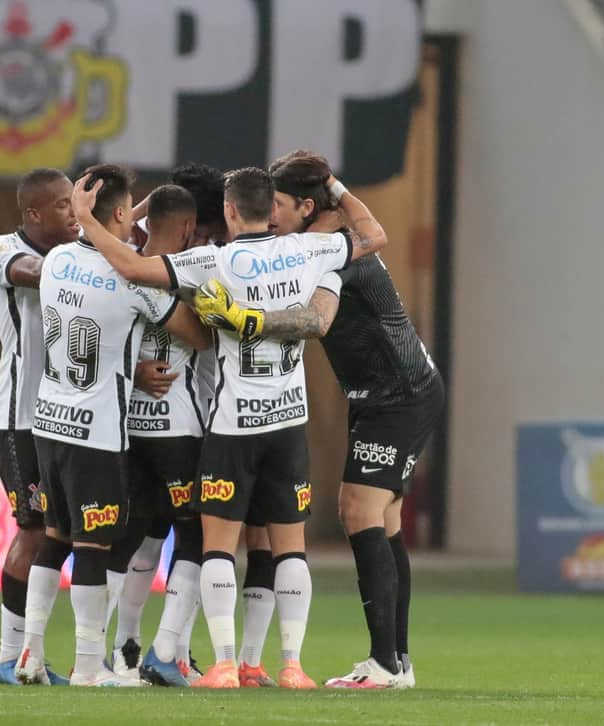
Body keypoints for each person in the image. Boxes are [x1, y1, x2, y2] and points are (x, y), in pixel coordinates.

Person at [71, 164, 388, 689]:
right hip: (288, 424)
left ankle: (221, 664)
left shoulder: (213, 260)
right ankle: (291, 666)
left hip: (232, 426)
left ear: (230, 210)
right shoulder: (309, 250)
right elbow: (375, 234)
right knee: (290, 548)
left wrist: (89, 220)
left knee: (215, 546)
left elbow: (132, 267)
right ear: (272, 208)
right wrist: (335, 187)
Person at [196, 150, 445, 689]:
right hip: (380, 394)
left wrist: (248, 319)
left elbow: (316, 320)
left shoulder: (331, 254)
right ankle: (396, 662)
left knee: (358, 510)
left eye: (281, 204)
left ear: (307, 206)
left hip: (398, 395)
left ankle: (383, 665)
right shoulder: (315, 245)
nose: (274, 215)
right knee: (386, 520)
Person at [14, 164, 211, 688]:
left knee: (53, 541)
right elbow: (196, 334)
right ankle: (87, 666)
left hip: (48, 423)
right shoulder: (131, 278)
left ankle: (30, 653)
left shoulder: (55, 260)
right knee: (93, 549)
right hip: (96, 433)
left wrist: (102, 217)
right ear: (122, 214)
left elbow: (105, 233)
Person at [101, 185, 207, 683]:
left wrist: (135, 368)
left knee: (133, 530)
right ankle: (167, 653)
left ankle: (114, 649)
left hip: (126, 426)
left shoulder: (117, 271)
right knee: (198, 533)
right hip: (176, 429)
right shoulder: (188, 274)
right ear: (188, 229)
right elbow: (201, 337)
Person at [0, 168, 80, 686]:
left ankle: (30, 657)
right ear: (34, 214)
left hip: (64, 418)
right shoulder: (1, 249)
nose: (72, 212)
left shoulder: (78, 252)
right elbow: (32, 273)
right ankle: (9, 656)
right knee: (34, 529)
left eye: (74, 203)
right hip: (18, 416)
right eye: (62, 205)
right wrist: (93, 261)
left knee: (61, 532)